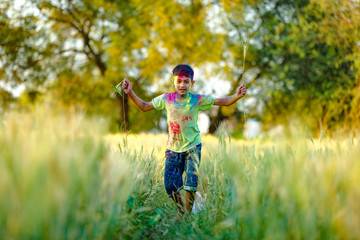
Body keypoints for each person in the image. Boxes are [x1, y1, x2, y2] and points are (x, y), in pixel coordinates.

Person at [120, 64, 247, 216]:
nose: (182, 85)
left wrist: (237, 96)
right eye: (179, 81)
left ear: (192, 83)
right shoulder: (166, 99)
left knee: (191, 184)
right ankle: (182, 211)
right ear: (173, 81)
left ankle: (187, 216)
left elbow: (223, 101)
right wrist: (130, 92)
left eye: (186, 81)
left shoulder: (197, 100)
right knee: (170, 187)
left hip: (193, 147)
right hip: (173, 150)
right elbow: (144, 106)